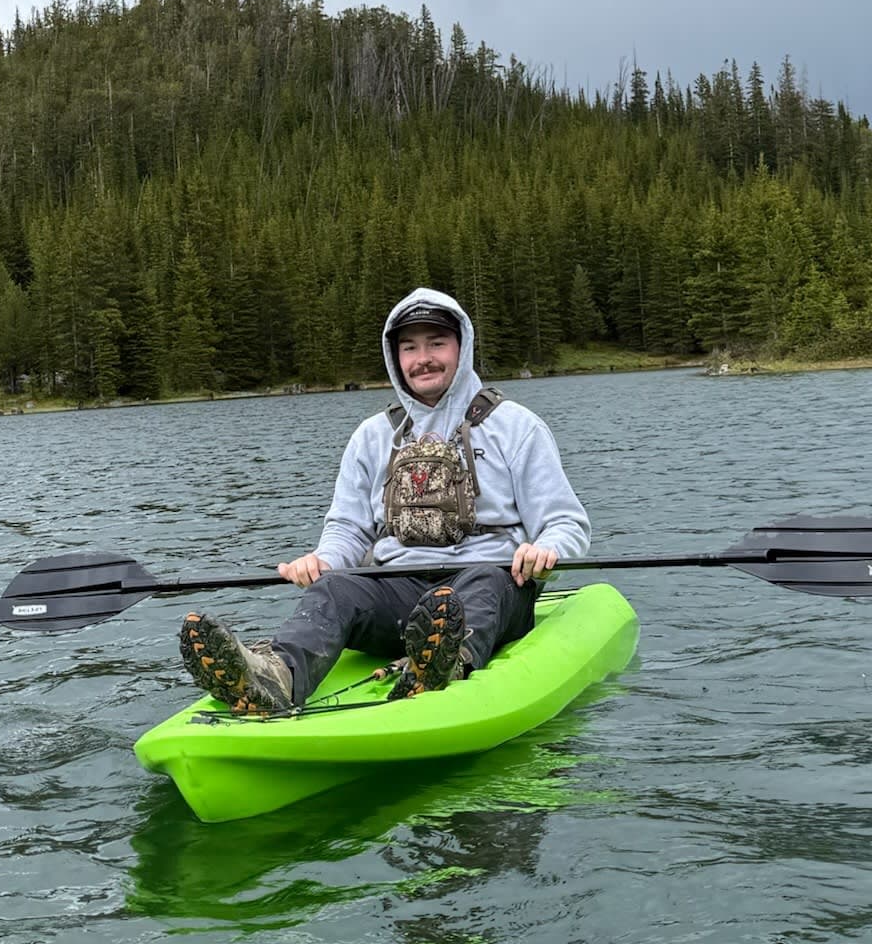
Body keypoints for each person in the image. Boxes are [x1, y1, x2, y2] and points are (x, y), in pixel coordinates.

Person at [179, 288, 591, 714]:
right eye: (409, 347)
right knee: (335, 588)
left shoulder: (517, 427)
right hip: (398, 594)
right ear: (395, 357)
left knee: (480, 586)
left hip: (495, 586)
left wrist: (548, 548)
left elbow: (566, 522)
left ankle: (442, 666)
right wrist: (324, 560)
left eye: (436, 343)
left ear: (461, 348)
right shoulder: (373, 436)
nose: (422, 358)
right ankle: (276, 675)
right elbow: (348, 529)